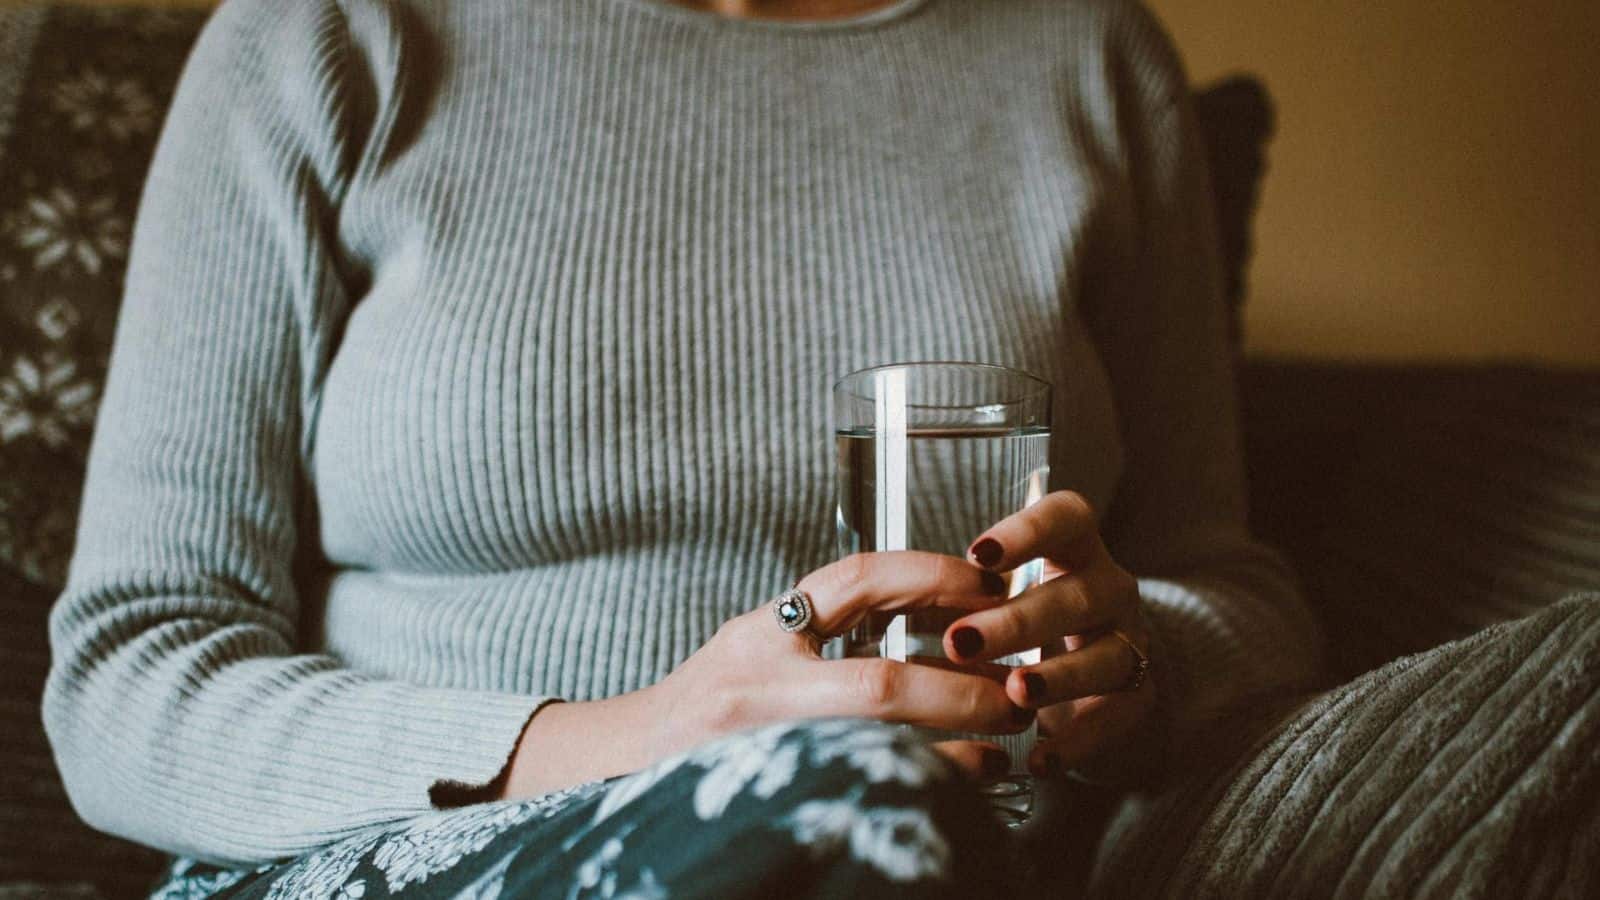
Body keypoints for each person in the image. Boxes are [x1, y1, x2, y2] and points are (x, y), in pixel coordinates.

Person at [43, 0, 1599, 897]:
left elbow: (1227, 583)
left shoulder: (1085, 55)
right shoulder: (333, 37)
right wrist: (640, 739)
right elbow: (130, 675)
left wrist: (1141, 664)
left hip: (964, 853)